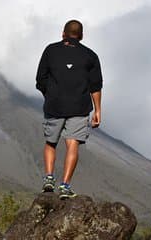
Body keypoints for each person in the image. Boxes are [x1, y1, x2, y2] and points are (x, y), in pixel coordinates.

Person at [35, 19, 103, 199]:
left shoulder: (50, 50)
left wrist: (49, 95)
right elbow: (95, 86)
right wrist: (98, 111)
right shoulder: (91, 56)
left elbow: (40, 79)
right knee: (73, 144)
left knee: (51, 142)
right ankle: (65, 186)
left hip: (54, 104)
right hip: (79, 107)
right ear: (81, 36)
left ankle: (49, 179)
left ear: (63, 33)